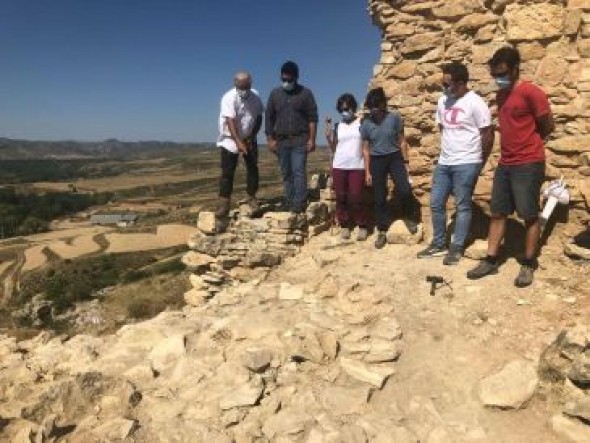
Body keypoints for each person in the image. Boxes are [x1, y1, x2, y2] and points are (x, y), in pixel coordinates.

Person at [467, 46, 555, 287]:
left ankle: (528, 264)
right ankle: (491, 259)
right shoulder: (501, 95)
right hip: (505, 163)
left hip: (528, 162)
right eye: (496, 74)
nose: (499, 78)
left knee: (528, 214)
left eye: (503, 73)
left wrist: (530, 143)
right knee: (498, 212)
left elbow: (548, 125)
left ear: (516, 69)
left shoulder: (531, 92)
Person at [417, 62, 494, 265]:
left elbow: (487, 133)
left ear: (461, 83)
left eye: (447, 84)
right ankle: (439, 243)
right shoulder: (443, 101)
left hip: (468, 161)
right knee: (436, 203)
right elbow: (443, 128)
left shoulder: (475, 102)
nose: (444, 87)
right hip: (445, 161)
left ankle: (456, 247)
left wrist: (479, 161)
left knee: (462, 206)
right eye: (443, 83)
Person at [360, 87, 418, 249]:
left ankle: (409, 217)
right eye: (371, 107)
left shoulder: (394, 118)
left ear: (383, 104)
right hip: (376, 160)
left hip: (395, 158)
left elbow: (402, 141)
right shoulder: (366, 124)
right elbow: (365, 149)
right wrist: (367, 171)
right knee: (379, 197)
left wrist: (406, 163)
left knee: (405, 188)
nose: (374, 111)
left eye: (376, 106)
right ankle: (382, 230)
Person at [265, 61, 318, 213]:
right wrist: (270, 139)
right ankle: (289, 201)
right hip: (281, 141)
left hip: (300, 139)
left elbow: (313, 118)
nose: (286, 83)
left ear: (296, 78)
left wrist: (312, 139)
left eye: (289, 80)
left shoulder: (306, 93)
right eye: (283, 79)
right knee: (286, 172)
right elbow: (269, 117)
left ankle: (300, 203)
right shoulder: (275, 94)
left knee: (298, 171)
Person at [215, 71, 264, 217]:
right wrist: (238, 142)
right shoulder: (229, 97)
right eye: (240, 88)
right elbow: (230, 121)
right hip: (230, 138)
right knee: (227, 172)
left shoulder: (255, 96)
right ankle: (224, 204)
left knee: (252, 167)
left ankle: (252, 197)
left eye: (245, 87)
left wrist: (251, 137)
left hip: (249, 136)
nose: (243, 91)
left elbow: (259, 116)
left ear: (250, 84)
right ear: (235, 85)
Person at [324, 93, 368, 241]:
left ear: (353, 107)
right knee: (341, 197)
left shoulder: (361, 123)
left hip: (357, 165)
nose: (345, 111)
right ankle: (344, 225)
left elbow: (366, 146)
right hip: (339, 165)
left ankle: (362, 225)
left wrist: (368, 168)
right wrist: (328, 136)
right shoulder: (338, 126)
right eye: (342, 109)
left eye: (348, 108)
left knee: (356, 197)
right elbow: (334, 148)